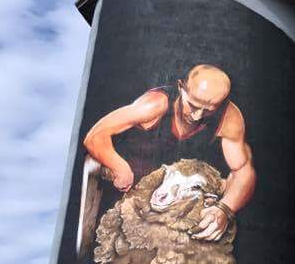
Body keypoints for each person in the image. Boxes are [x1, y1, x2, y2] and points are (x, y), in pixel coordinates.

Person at [83, 64, 255, 241]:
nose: (197, 116)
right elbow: (95, 136)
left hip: (173, 198)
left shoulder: (229, 118)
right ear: (181, 88)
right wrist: (118, 166)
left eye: (209, 110)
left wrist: (225, 208)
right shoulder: (155, 104)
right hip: (126, 188)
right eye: (193, 105)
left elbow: (243, 171)